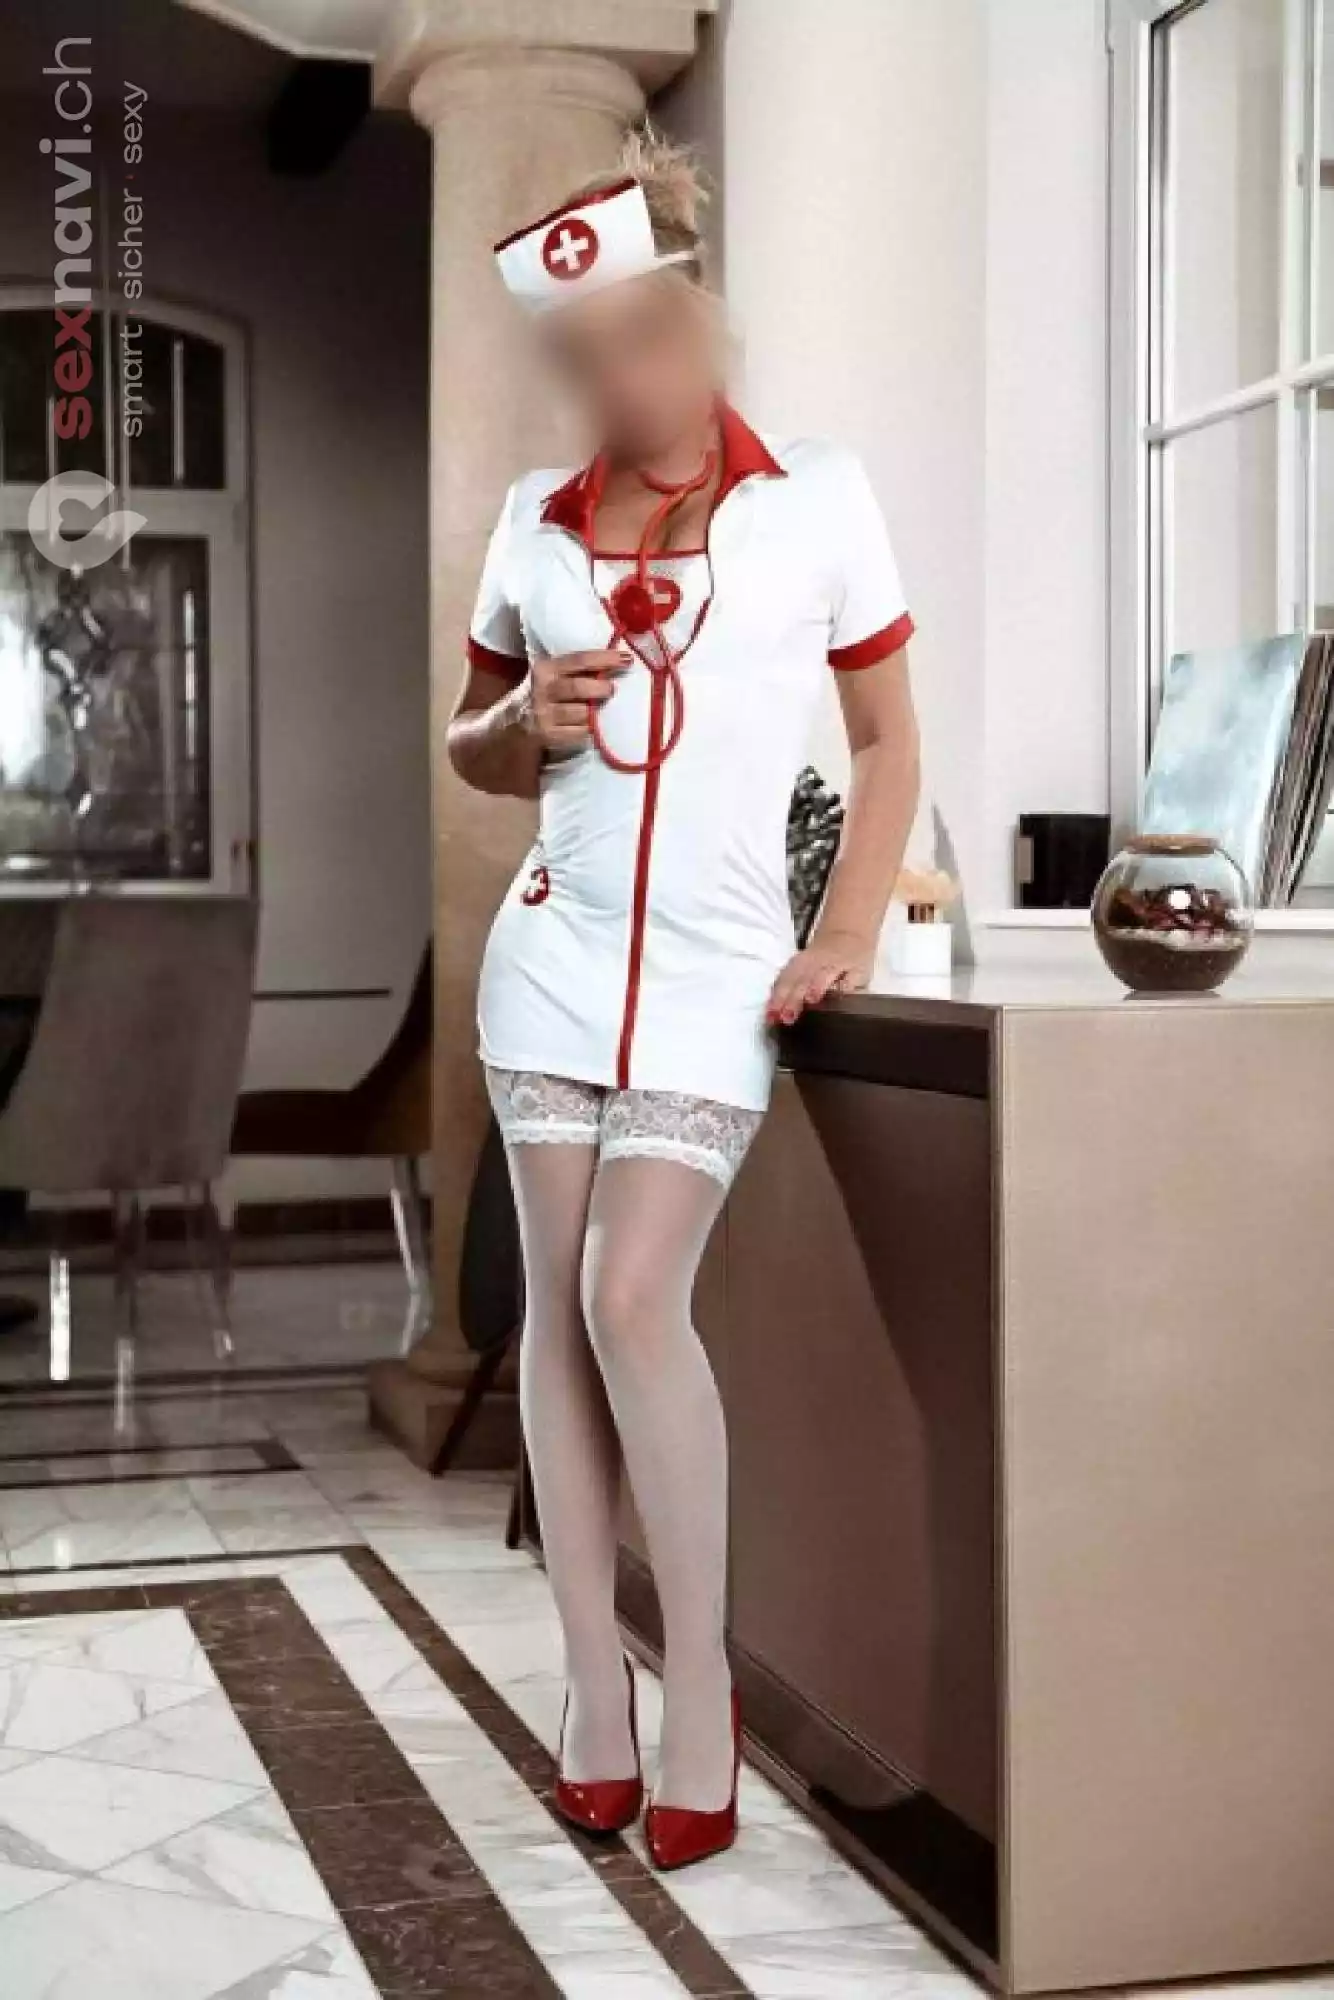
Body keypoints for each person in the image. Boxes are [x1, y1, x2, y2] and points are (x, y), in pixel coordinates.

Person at [447, 130, 920, 1871]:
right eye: (585, 354)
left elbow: (884, 743)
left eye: (641, 336)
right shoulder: (532, 523)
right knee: (558, 1323)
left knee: (630, 1294)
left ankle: (695, 1685)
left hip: (718, 973)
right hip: (550, 963)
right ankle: (592, 1689)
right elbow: (469, 745)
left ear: (697, 320)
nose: (621, 380)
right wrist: (523, 723)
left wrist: (840, 930)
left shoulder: (820, 499)